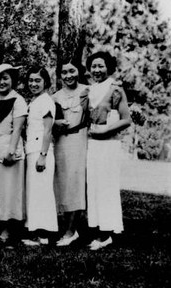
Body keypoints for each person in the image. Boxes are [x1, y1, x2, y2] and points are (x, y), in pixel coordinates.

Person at [85, 51, 131, 250]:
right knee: (94, 186)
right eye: (93, 66)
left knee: (106, 187)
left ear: (109, 68)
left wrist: (105, 129)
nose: (97, 70)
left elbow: (126, 119)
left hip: (109, 145)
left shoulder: (115, 88)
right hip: (93, 144)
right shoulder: (90, 89)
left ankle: (107, 234)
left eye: (101, 66)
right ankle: (98, 231)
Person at [0, 63, 27, 246]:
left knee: (10, 189)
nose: (2, 82)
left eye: (6, 78)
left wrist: (11, 150)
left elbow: (18, 128)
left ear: (13, 80)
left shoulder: (18, 100)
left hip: (8, 147)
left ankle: (9, 229)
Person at [52, 59, 90, 246]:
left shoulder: (87, 91)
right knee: (62, 184)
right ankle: (65, 227)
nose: (68, 76)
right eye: (64, 72)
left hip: (79, 139)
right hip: (60, 142)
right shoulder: (55, 97)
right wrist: (55, 124)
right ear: (60, 76)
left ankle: (71, 231)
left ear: (79, 72)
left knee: (76, 183)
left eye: (72, 71)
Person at [22, 66, 58, 246]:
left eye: (37, 80)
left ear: (45, 82)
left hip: (40, 151)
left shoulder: (46, 101)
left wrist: (43, 155)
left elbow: (48, 130)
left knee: (41, 192)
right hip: (32, 149)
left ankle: (43, 234)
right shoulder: (35, 101)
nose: (33, 84)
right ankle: (35, 232)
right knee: (35, 192)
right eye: (31, 80)